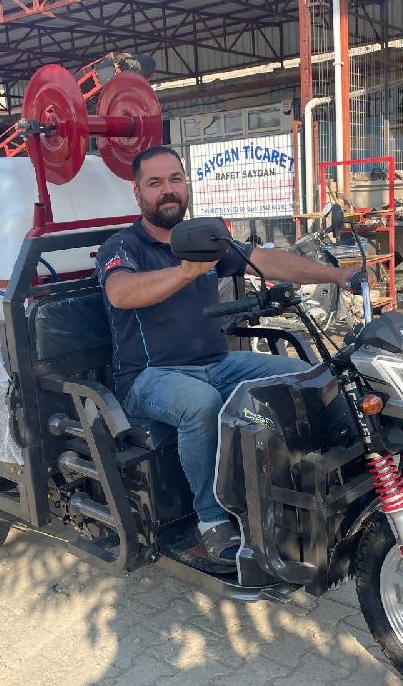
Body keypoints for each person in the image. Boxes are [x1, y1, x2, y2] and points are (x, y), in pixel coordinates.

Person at [95, 146, 372, 565]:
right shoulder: (122, 246)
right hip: (149, 377)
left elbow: (265, 260)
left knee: (303, 375)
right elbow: (121, 292)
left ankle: (303, 488)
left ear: (186, 184)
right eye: (155, 183)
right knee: (201, 405)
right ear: (138, 193)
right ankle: (211, 523)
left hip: (217, 364)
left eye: (175, 179)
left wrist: (338, 274)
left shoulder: (205, 240)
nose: (167, 190)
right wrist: (185, 271)